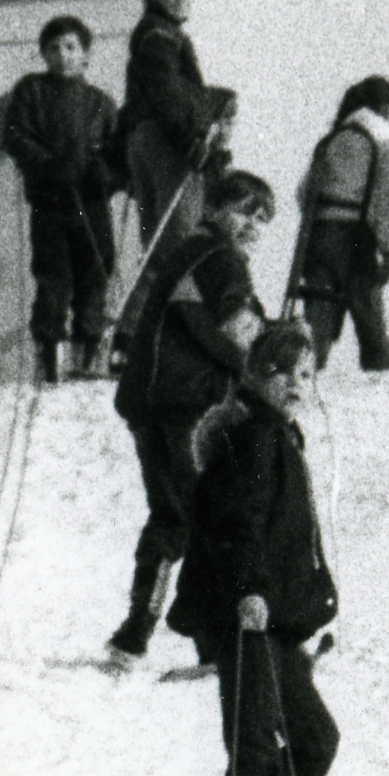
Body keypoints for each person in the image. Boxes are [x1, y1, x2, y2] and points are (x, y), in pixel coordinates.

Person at [168, 322, 340, 776]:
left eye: (306, 374)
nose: (295, 384)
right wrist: (249, 590)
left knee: (315, 739)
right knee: (256, 746)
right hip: (248, 616)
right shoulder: (255, 437)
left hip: (278, 624)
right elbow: (237, 520)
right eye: (281, 371)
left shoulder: (282, 437)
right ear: (256, 376)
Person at [106, 170, 274, 661]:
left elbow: (201, 322)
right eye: (244, 210)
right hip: (187, 405)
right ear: (215, 208)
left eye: (263, 218)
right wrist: (280, 351)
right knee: (206, 517)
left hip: (150, 401)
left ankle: (138, 631)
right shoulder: (220, 258)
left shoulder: (190, 251)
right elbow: (233, 324)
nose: (252, 225)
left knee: (175, 515)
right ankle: (211, 641)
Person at [0, 14, 119, 383]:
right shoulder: (31, 91)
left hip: (92, 206)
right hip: (51, 205)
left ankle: (88, 356)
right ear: (43, 55)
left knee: (95, 276)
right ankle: (49, 359)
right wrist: (51, 165)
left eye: (70, 47)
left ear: (85, 55)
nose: (62, 55)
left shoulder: (101, 103)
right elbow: (15, 135)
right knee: (53, 279)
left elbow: (118, 152)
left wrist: (105, 175)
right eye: (53, 48)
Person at [115, 0, 236, 252]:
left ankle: (163, 298)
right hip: (165, 140)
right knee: (183, 239)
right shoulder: (160, 36)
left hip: (146, 138)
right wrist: (194, 143)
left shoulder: (156, 33)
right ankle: (183, 299)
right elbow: (168, 94)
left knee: (157, 243)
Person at [294, 75, 389, 373]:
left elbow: (303, 192)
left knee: (319, 309)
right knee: (368, 312)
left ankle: (307, 371)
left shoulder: (333, 137)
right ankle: (381, 378)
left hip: (320, 232)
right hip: (359, 235)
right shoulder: (384, 138)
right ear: (384, 108)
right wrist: (388, 249)